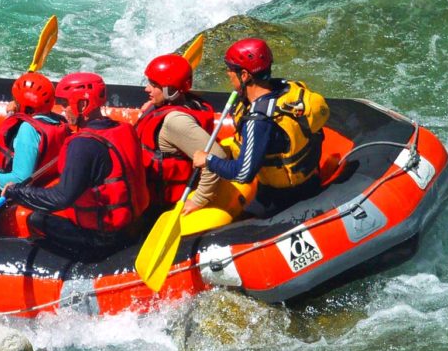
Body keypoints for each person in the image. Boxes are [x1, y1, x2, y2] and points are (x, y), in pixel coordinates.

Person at [3, 72, 149, 259]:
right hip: (134, 226)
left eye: (65, 105)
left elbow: (60, 198)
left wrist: (15, 192)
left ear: (83, 105)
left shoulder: (82, 144)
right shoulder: (124, 128)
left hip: (103, 240)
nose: (63, 112)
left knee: (34, 218)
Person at [193, 38, 329, 217]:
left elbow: (243, 174)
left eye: (230, 69)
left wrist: (208, 160)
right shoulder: (285, 88)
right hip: (310, 179)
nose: (227, 73)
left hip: (284, 198)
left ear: (244, 75)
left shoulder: (258, 121)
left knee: (239, 224)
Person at [136, 54, 224, 213]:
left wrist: (199, 199)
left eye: (153, 85)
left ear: (170, 90)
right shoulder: (185, 101)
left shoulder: (175, 121)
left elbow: (217, 156)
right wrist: (153, 103)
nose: (146, 89)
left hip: (164, 202)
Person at [0, 72, 69, 189]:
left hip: (10, 190)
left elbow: (20, 179)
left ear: (26, 107)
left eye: (16, 101)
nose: (14, 102)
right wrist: (13, 112)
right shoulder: (59, 120)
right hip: (46, 179)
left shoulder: (28, 130)